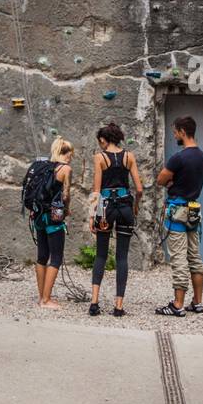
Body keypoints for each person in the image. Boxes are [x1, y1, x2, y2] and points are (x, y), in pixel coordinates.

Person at [87, 123, 142, 318]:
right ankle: (118, 306)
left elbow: (96, 189)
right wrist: (135, 206)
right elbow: (140, 189)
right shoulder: (129, 157)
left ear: (103, 139)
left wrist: (92, 215)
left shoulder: (100, 158)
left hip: (105, 207)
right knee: (122, 257)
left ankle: (94, 303)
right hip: (126, 206)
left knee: (101, 254)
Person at [155, 114, 203, 318]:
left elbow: (161, 179)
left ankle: (177, 304)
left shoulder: (179, 157)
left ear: (183, 132)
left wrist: (171, 182)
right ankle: (197, 302)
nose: (175, 135)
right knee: (194, 256)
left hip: (177, 210)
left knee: (178, 258)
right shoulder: (202, 156)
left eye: (176, 131)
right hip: (194, 210)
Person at [30, 136, 73, 309]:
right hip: (54, 218)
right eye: (69, 152)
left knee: (42, 256)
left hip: (39, 216)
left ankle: (42, 297)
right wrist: (68, 209)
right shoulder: (65, 169)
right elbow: (66, 195)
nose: (70, 156)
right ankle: (46, 300)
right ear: (65, 152)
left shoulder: (44, 167)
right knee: (55, 257)